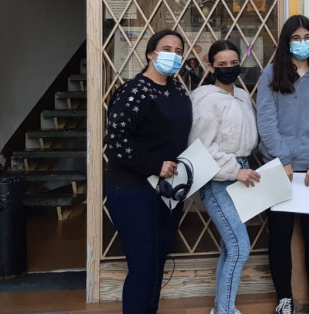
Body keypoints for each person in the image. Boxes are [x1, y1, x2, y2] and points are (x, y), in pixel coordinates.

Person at [104, 29, 192, 314]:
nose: (173, 55)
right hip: (133, 190)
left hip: (167, 191)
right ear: (151, 54)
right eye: (166, 49)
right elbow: (116, 142)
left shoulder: (177, 90)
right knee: (143, 266)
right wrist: (155, 165)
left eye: (178, 51)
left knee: (157, 262)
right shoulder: (134, 91)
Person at [257, 15, 309, 314]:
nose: (302, 43)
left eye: (307, 37)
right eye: (296, 38)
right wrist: (283, 159)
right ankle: (284, 298)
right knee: (280, 236)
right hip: (280, 169)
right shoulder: (271, 74)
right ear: (286, 42)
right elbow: (266, 120)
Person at [190, 40, 261, 314]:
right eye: (222, 64)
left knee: (230, 246)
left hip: (243, 174)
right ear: (211, 67)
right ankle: (226, 311)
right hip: (219, 178)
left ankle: (222, 308)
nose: (229, 68)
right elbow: (201, 146)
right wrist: (234, 170)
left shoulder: (242, 96)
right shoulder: (205, 100)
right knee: (240, 246)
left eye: (234, 63)